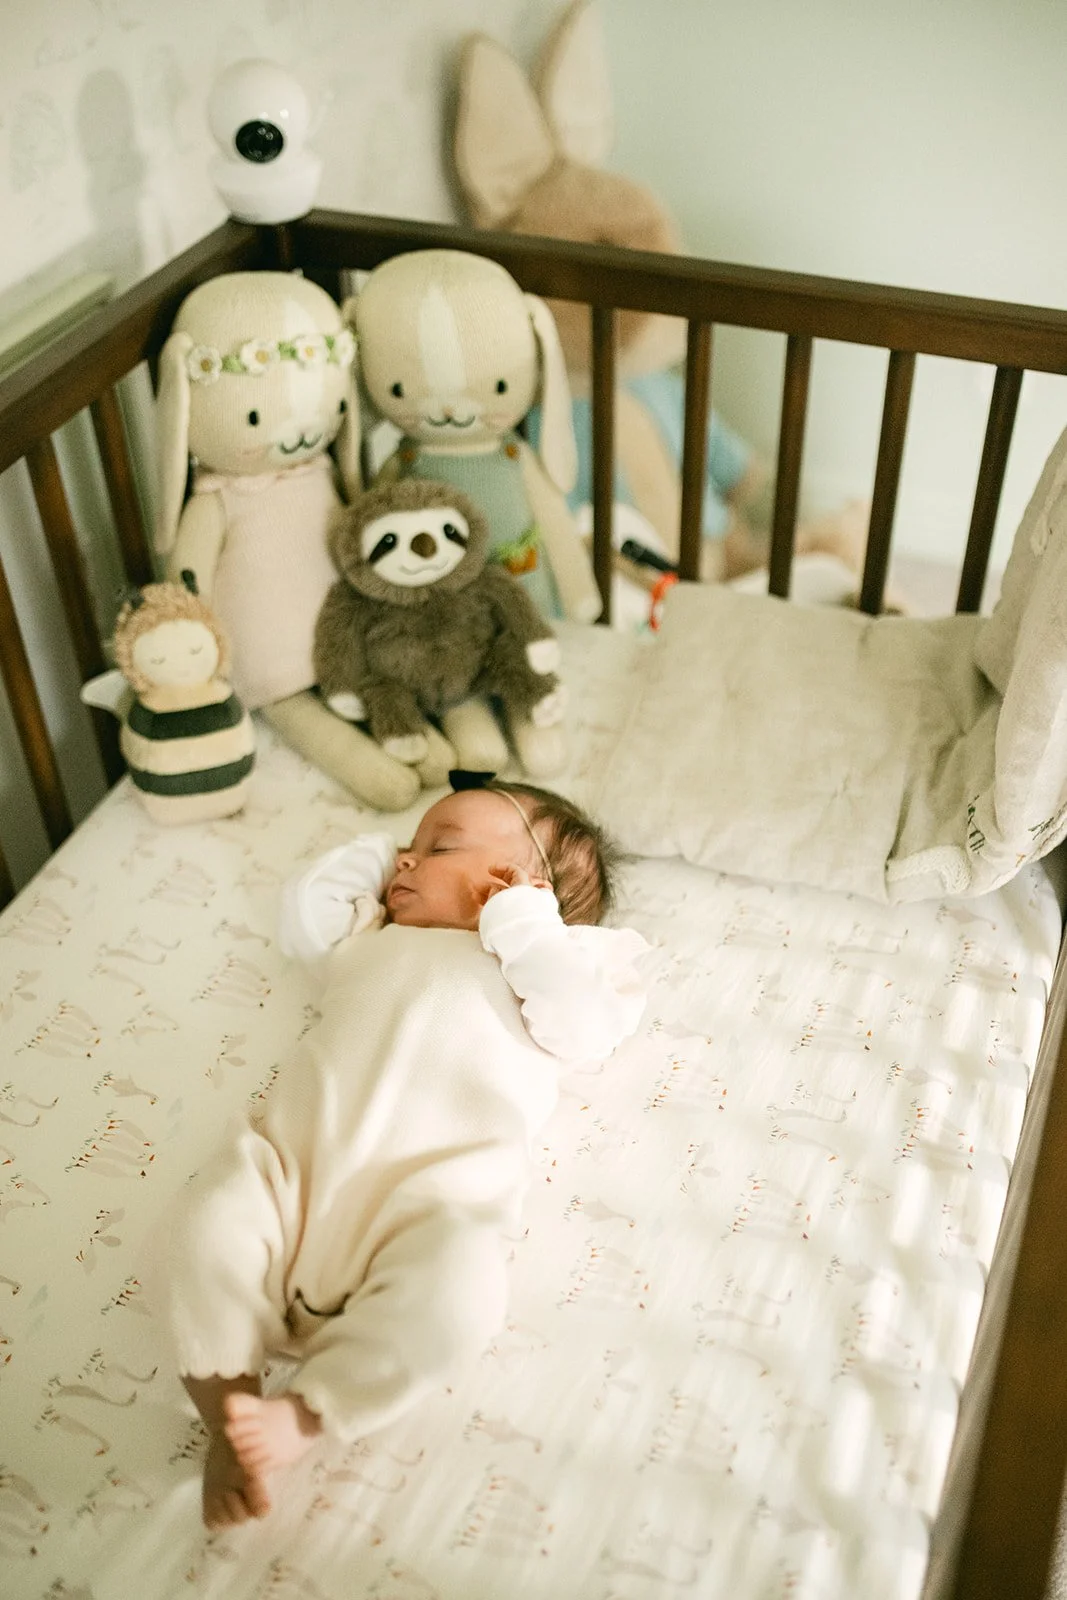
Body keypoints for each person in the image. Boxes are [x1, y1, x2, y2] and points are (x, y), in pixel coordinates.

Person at [157, 777, 648, 1529]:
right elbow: (303, 914)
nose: (404, 862)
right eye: (405, 848)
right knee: (206, 1222)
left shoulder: (561, 962)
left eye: (438, 846)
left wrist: (522, 920)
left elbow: (587, 1029)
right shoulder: (371, 932)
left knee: (460, 1298)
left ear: (524, 884)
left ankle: (306, 1414)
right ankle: (228, 1409)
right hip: (289, 1175)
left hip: (431, 1209)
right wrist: (388, 854)